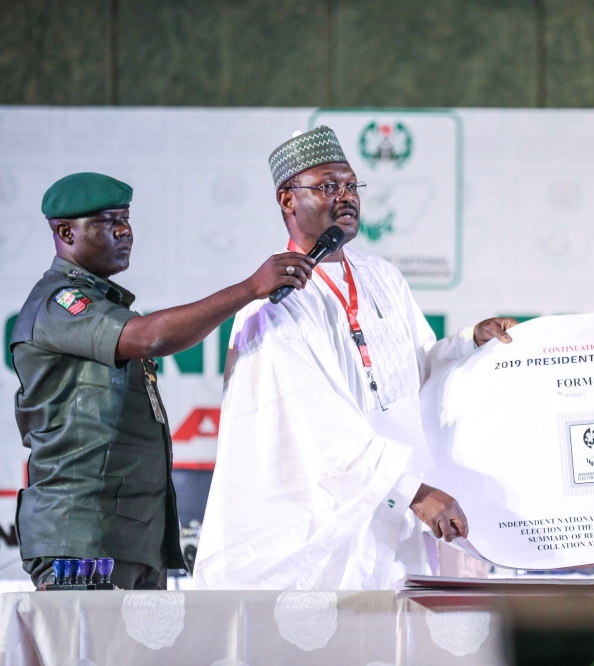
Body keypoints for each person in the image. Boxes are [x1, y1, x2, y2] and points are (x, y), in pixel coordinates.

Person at [194, 126, 516, 590]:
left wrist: (471, 342)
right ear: (288, 200)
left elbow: (421, 368)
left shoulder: (381, 276)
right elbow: (315, 426)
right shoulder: (272, 307)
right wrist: (413, 493)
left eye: (350, 185)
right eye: (328, 186)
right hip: (325, 532)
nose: (345, 197)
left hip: (399, 519)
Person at [11, 172, 316, 590]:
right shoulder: (59, 302)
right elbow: (149, 337)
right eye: (107, 221)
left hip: (132, 536)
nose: (124, 230)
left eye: (126, 218)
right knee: (87, 655)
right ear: (65, 232)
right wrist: (250, 288)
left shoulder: (105, 305)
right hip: (81, 536)